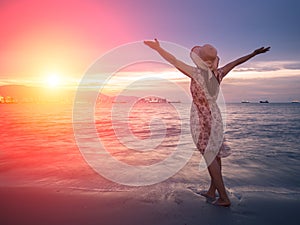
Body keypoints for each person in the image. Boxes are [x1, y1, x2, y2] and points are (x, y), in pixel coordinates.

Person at [144, 38, 270, 207]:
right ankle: (213, 191)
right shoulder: (219, 73)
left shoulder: (195, 73)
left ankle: (224, 197)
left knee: (209, 156)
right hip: (216, 116)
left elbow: (173, 60)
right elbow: (237, 61)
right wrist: (254, 53)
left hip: (202, 117)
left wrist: (158, 49)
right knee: (215, 155)